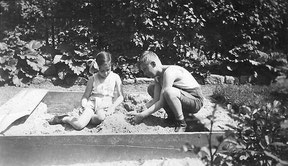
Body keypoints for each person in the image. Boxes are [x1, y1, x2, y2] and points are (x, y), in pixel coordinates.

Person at [127, 51, 204, 132]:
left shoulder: (169, 72)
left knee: (168, 92)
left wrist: (142, 115)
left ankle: (181, 122)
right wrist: (143, 108)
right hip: (182, 96)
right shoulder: (158, 77)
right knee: (152, 88)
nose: (145, 73)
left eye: (145, 69)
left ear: (153, 64)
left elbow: (162, 102)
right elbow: (156, 100)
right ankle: (172, 117)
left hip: (195, 100)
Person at [48, 51, 124, 130]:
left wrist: (113, 107)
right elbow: (85, 96)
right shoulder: (93, 79)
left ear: (111, 65)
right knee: (79, 125)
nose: (105, 73)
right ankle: (65, 118)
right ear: (97, 67)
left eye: (108, 70)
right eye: (102, 71)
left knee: (101, 117)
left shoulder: (115, 77)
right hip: (92, 105)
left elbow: (121, 96)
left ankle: (89, 119)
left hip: (105, 107)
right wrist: (83, 103)